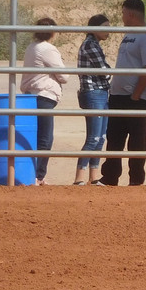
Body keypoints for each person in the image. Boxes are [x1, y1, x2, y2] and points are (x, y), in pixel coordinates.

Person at [100, 0, 146, 187]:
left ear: (131, 14)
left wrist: (137, 94)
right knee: (114, 137)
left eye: (123, 13)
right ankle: (110, 177)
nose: (122, 17)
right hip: (119, 96)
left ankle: (136, 180)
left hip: (137, 98)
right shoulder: (129, 35)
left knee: (136, 138)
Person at [20, 18, 68, 186]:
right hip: (43, 96)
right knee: (45, 138)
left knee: (36, 137)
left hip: (31, 95)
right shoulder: (48, 49)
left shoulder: (31, 47)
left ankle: (33, 174)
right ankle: (38, 176)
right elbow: (64, 76)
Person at [74, 13, 111, 186]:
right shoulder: (90, 45)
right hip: (94, 92)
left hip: (99, 92)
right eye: (105, 27)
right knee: (94, 137)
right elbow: (105, 70)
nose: (108, 31)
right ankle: (79, 178)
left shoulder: (93, 44)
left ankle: (93, 177)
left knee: (100, 136)